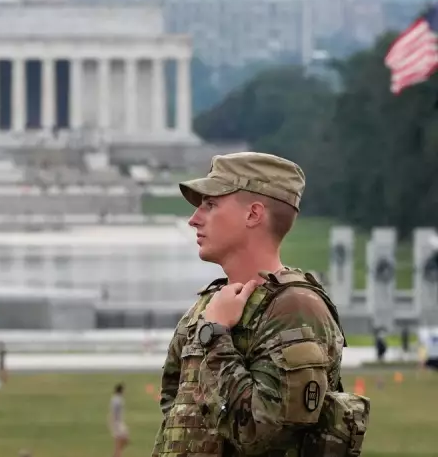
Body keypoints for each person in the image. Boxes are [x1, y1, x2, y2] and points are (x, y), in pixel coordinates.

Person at [151, 152, 365, 457]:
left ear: (253, 214)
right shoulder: (207, 306)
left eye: (210, 205)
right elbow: (178, 413)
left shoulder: (296, 310)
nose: (193, 218)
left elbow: (260, 434)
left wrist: (215, 336)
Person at [109, 383, 129, 457]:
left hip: (119, 422)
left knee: (124, 439)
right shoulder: (117, 400)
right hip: (117, 423)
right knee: (119, 441)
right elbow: (114, 412)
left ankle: (117, 453)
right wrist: (113, 423)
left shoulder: (118, 399)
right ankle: (117, 454)